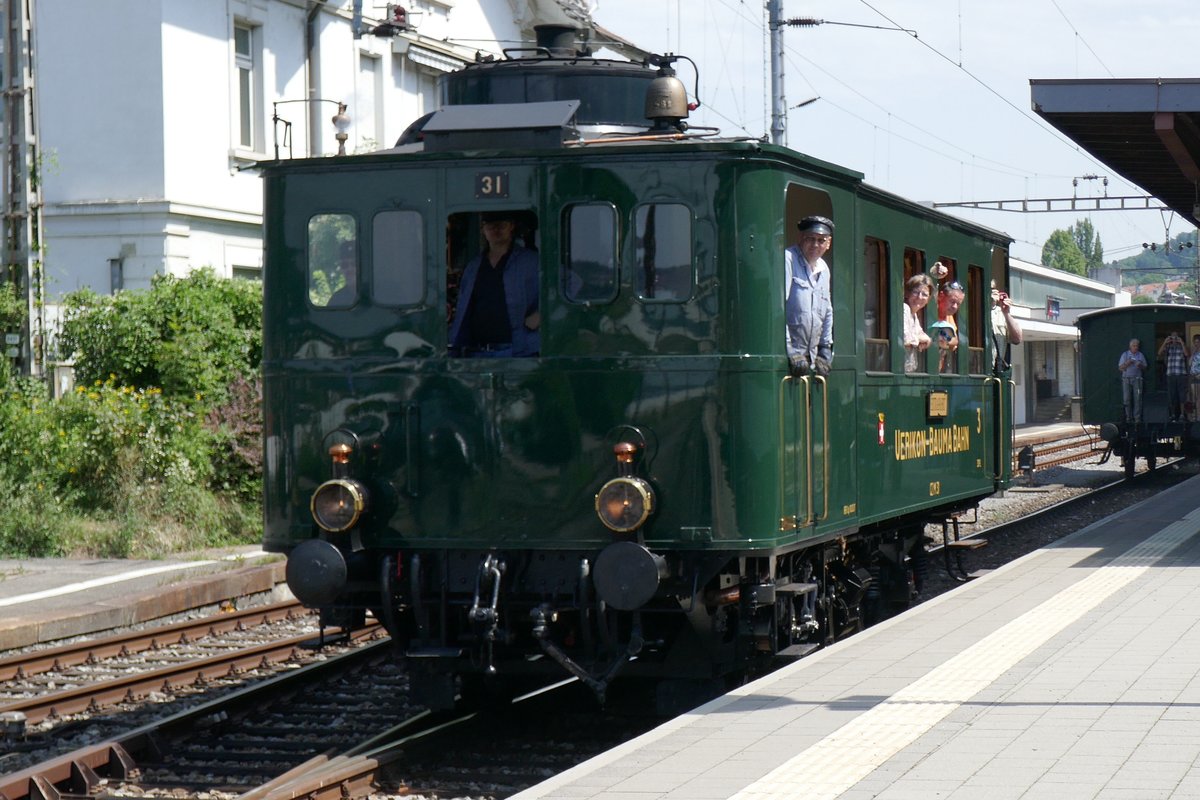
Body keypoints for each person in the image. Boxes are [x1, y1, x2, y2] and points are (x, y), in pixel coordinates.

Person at [448, 210, 540, 357]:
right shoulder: (473, 267)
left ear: (511, 226)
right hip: (476, 354)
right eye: (490, 226)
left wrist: (541, 314)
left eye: (501, 225)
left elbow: (572, 286)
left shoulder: (532, 261)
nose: (496, 230)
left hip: (518, 353)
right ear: (483, 229)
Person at [784, 215, 834, 376]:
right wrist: (788, 349)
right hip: (788, 359)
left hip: (810, 360)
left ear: (828, 243)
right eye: (810, 239)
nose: (815, 244)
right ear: (800, 238)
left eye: (821, 240)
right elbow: (778, 307)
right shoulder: (788, 259)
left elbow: (827, 311)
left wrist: (825, 348)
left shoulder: (824, 269)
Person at [902, 273, 934, 373]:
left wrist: (926, 339)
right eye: (915, 292)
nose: (920, 297)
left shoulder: (914, 314)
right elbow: (905, 338)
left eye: (924, 294)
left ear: (928, 299)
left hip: (908, 372)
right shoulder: (904, 308)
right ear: (907, 293)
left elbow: (921, 334)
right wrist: (919, 339)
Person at [990, 282, 1022, 372]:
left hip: (996, 370)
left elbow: (1017, 339)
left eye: (994, 290)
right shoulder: (974, 308)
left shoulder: (1001, 313)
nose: (993, 293)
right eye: (990, 290)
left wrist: (1006, 313)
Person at [1158, 331, 1189, 421]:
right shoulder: (1168, 347)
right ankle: (1173, 414)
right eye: (1172, 337)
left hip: (1181, 374)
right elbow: (1159, 353)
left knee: (1182, 395)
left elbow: (1187, 354)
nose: (1174, 339)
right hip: (1170, 374)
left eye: (1176, 337)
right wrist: (1165, 342)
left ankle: (1182, 414)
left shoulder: (1182, 346)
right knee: (1172, 395)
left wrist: (1182, 342)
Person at [936, 278, 965, 373]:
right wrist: (946, 340)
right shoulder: (928, 312)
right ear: (941, 296)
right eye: (952, 301)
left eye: (958, 304)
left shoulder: (948, 316)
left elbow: (955, 341)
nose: (955, 307)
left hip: (939, 370)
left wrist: (943, 340)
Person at [1118, 338, 1148, 422]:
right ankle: (1128, 417)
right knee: (1126, 399)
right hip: (1126, 379)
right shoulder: (1125, 355)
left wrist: (1140, 365)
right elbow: (1120, 368)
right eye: (1134, 346)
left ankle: (1137, 418)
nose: (1136, 347)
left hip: (1137, 379)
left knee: (1137, 399)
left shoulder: (1140, 355)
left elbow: (1145, 367)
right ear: (1130, 346)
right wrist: (1127, 363)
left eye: (1137, 346)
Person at [1190, 334, 1200, 422]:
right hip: (1193, 376)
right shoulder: (1194, 352)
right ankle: (1194, 416)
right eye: (1195, 342)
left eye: (1198, 342)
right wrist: (1193, 353)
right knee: (1194, 397)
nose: (1196, 344)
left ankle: (1198, 416)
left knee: (1199, 397)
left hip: (1199, 375)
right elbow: (1189, 363)